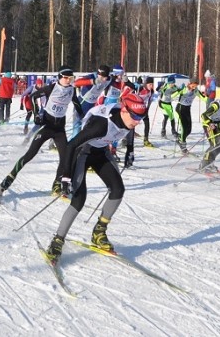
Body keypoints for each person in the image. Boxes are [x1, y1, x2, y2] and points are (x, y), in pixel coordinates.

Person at [42, 93, 148, 261]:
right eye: (135, 116)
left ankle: (99, 232)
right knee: (79, 199)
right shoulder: (101, 125)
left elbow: (129, 128)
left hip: (101, 152)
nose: (138, 121)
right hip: (82, 152)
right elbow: (70, 145)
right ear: (125, 110)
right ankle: (57, 240)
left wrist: (130, 149)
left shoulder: (128, 118)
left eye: (141, 117)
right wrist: (66, 176)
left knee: (118, 189)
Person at [0, 66, 84, 197]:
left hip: (59, 130)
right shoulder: (51, 88)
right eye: (66, 78)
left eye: (71, 78)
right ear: (60, 77)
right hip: (47, 127)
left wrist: (83, 117)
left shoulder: (71, 91)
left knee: (65, 158)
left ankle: (56, 185)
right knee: (30, 154)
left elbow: (77, 104)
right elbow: (33, 97)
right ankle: (10, 177)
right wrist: (36, 115)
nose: (68, 81)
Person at [174, 79, 205, 152]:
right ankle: (183, 145)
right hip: (180, 108)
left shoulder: (196, 90)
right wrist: (179, 91)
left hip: (187, 109)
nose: (194, 87)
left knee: (189, 130)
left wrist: (210, 100)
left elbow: (204, 98)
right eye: (193, 85)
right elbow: (173, 95)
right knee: (184, 128)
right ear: (189, 84)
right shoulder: (184, 89)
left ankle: (180, 138)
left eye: (196, 85)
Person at [137, 77, 156, 148]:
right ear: (146, 84)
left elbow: (150, 101)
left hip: (143, 109)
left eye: (152, 84)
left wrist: (147, 109)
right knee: (131, 125)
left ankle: (146, 140)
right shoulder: (140, 88)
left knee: (147, 123)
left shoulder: (151, 91)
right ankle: (125, 139)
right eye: (150, 84)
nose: (151, 86)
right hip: (135, 109)